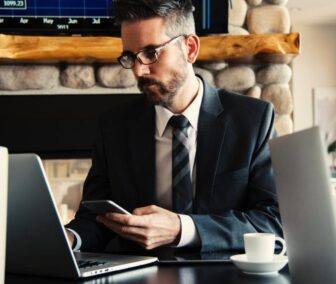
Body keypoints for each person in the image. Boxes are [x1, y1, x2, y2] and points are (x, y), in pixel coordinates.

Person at [65, 0, 282, 254]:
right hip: (139, 283)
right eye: (130, 57)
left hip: (225, 278)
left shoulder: (253, 120)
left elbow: (273, 221)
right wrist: (69, 237)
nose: (138, 70)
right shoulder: (113, 127)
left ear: (190, 48)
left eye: (151, 53)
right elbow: (96, 218)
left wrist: (183, 229)